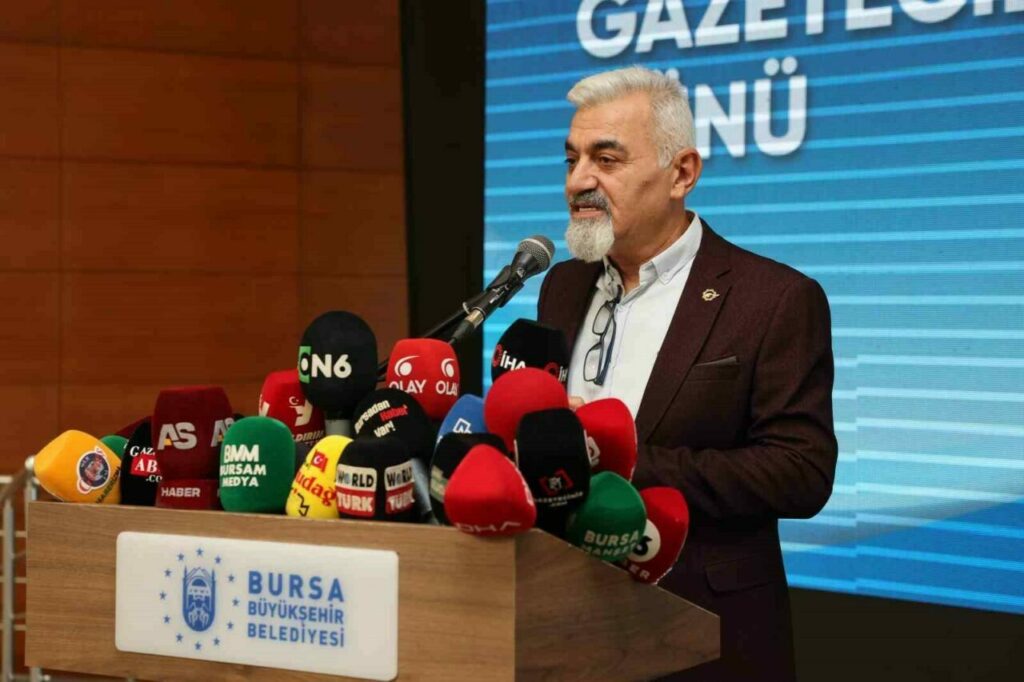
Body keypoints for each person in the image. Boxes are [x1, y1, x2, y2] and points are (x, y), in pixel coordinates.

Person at [537, 66, 838, 681]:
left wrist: (619, 462)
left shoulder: (773, 299)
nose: (578, 181)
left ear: (682, 173)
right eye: (571, 160)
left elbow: (802, 472)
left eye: (606, 160)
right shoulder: (562, 285)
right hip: (563, 618)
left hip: (705, 631)